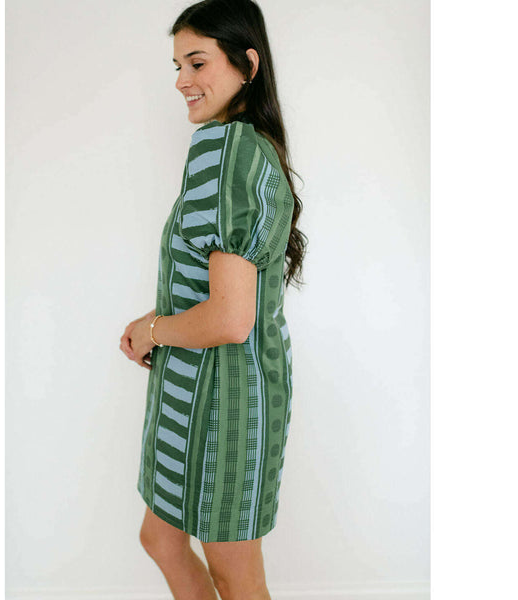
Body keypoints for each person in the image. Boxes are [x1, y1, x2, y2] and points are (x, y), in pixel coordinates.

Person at [120, 1, 307, 598]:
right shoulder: (233, 147)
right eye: (178, 65)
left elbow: (230, 318)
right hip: (194, 390)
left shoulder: (229, 152)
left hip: (227, 401)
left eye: (197, 63)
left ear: (247, 64)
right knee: (161, 537)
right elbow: (217, 288)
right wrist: (155, 320)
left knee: (234, 572)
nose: (182, 81)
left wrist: (153, 332)